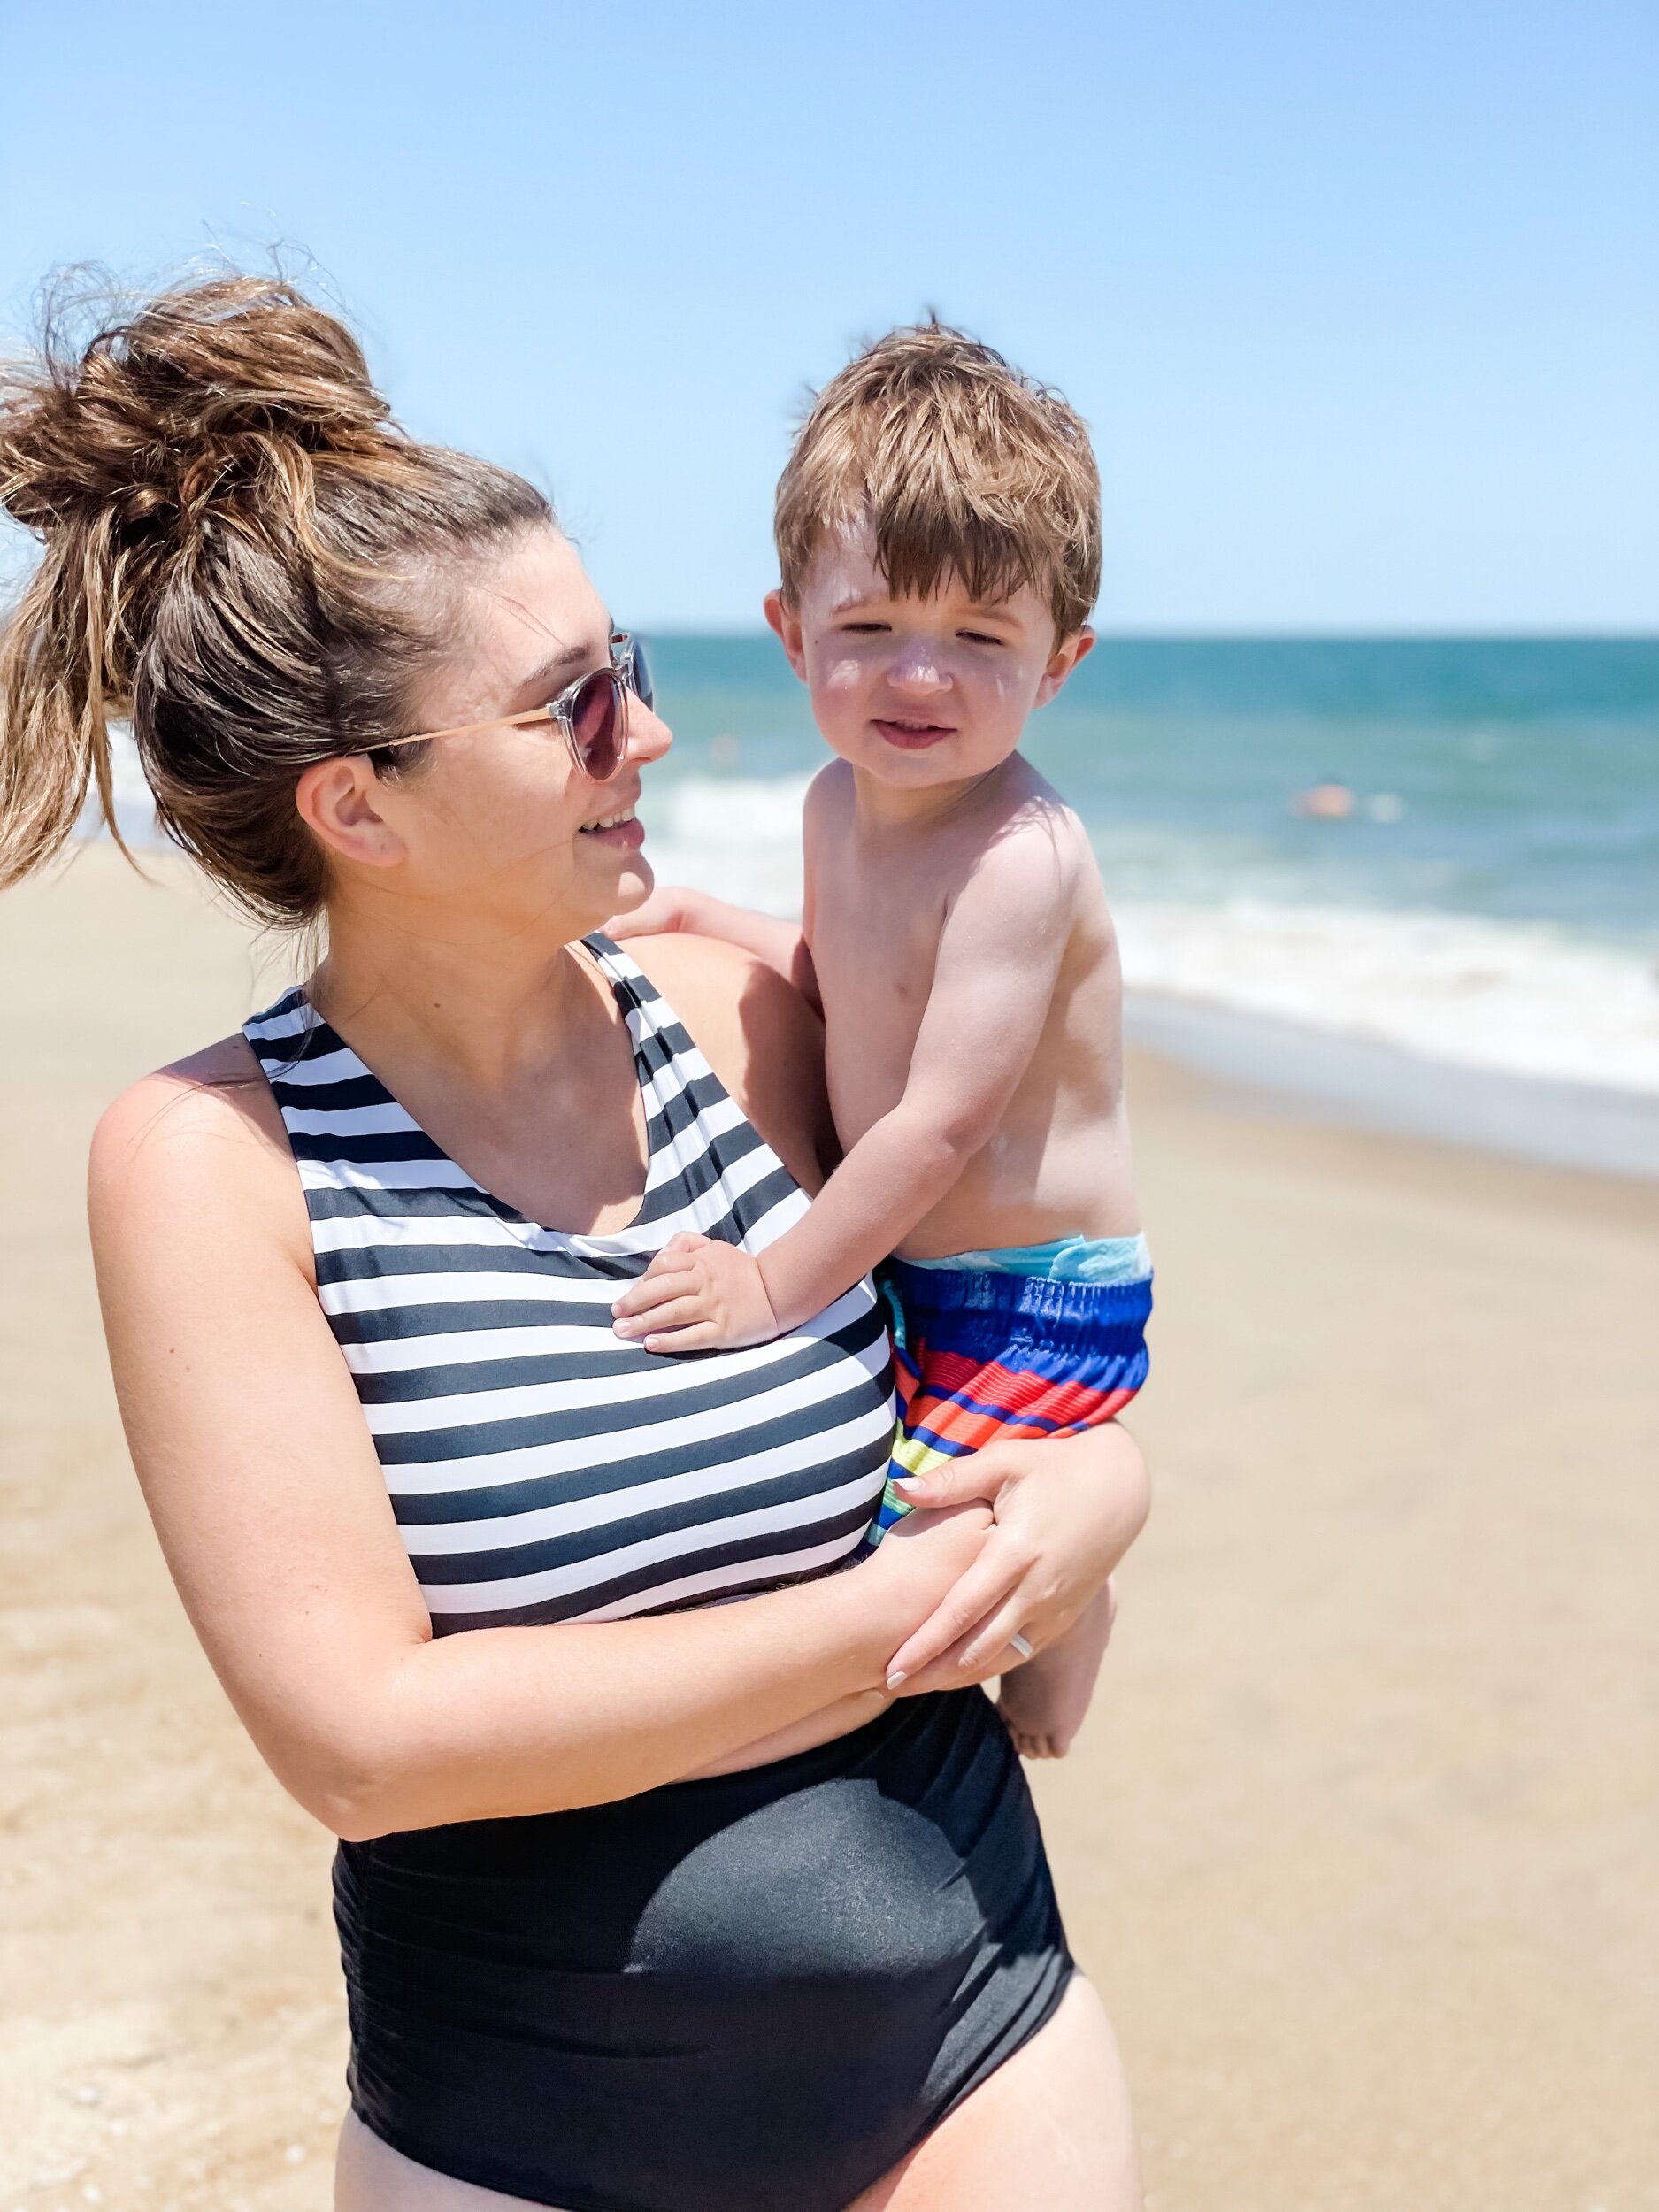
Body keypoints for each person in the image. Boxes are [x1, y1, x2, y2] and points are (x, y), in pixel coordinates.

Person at [0, 275, 1150, 2210]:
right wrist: (912, 1620)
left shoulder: (743, 1003)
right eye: (574, 703)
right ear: (359, 802)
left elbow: (1012, 1271)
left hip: (982, 2044)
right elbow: (370, 1744)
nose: (658, 726)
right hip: (531, 2135)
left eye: (625, 657)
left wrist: (1103, 1484)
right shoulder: (212, 1163)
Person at [612, 326, 1150, 1762]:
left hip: (1035, 1286)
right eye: (871, 631)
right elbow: (841, 977)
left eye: (981, 639)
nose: (920, 677)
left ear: (1060, 663)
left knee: (953, 1585)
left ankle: (1080, 1617)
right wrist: (692, 911)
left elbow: (936, 1125)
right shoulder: (833, 806)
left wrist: (768, 1289)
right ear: (793, 633)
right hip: (907, 1249)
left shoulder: (1019, 859)